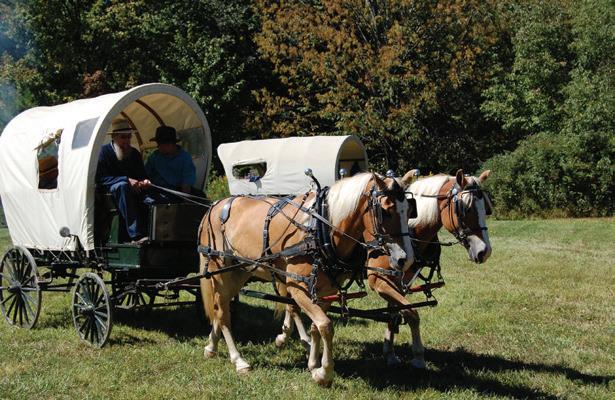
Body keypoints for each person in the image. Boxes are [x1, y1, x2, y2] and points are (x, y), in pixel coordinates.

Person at [95, 119, 151, 243]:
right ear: (114, 137)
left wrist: (144, 182)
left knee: (153, 196)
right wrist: (126, 179)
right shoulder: (104, 152)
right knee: (122, 186)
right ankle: (136, 235)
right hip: (110, 191)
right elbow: (101, 178)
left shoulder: (134, 153)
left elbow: (141, 175)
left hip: (134, 189)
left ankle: (153, 232)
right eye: (123, 137)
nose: (127, 141)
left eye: (129, 137)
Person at [145, 125, 196, 195]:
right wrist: (146, 181)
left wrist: (184, 199)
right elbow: (145, 174)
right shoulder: (155, 156)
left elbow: (187, 183)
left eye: (160, 144)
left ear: (170, 144)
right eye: (158, 144)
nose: (158, 147)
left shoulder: (185, 158)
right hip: (157, 192)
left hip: (177, 192)